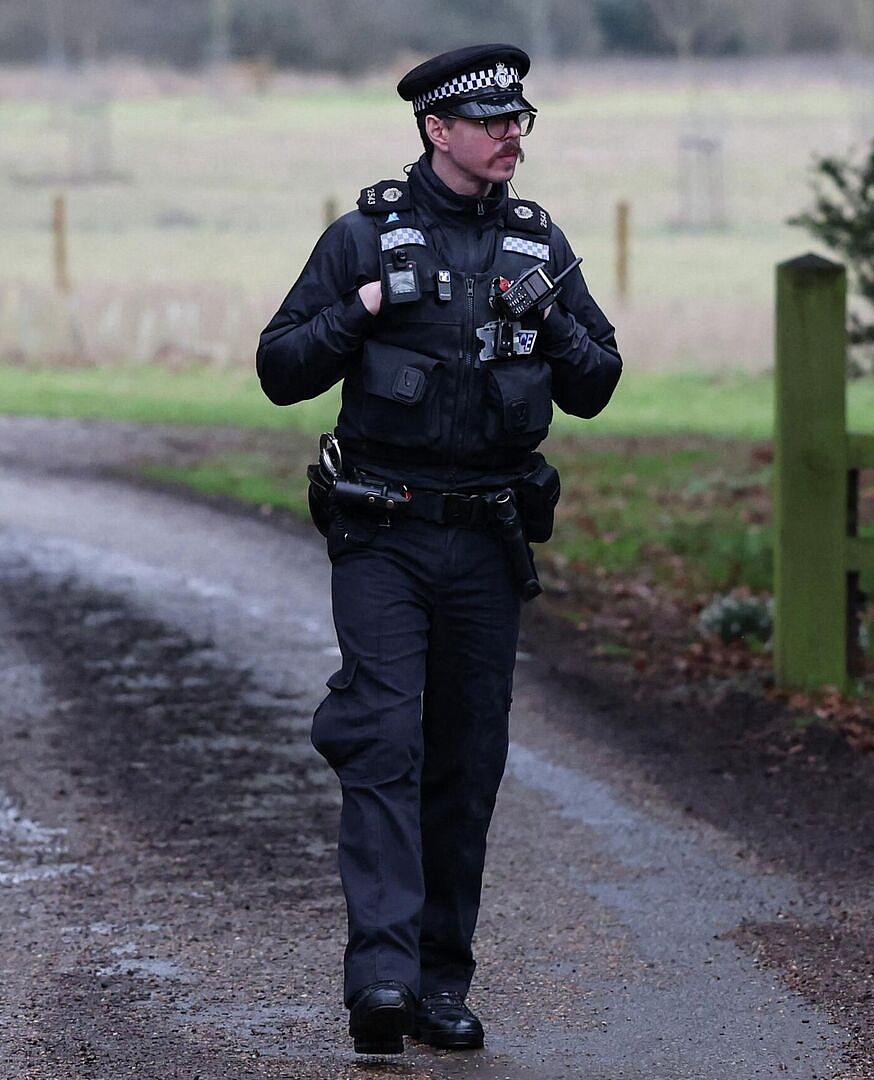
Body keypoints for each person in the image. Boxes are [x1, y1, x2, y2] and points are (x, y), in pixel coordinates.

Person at [256, 44, 622, 1055]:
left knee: (466, 761)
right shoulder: (364, 238)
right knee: (380, 739)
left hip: (487, 541)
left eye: (520, 120)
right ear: (437, 129)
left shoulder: (538, 243)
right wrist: (366, 307)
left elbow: (596, 383)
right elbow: (280, 368)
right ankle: (379, 979)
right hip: (383, 531)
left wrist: (551, 318)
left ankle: (437, 980)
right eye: (493, 120)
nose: (512, 134)